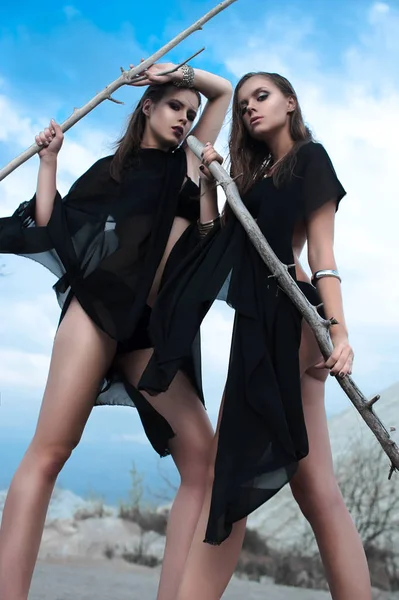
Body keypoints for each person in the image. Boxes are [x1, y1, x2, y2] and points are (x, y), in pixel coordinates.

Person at [0, 62, 231, 600]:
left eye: (190, 113)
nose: (185, 118)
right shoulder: (111, 171)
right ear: (146, 106)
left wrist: (178, 73)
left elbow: (220, 92)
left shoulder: (188, 167)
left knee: (203, 459)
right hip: (98, 314)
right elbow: (54, 221)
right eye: (175, 105)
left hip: (149, 332)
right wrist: (49, 161)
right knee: (51, 452)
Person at [138, 72, 372, 599]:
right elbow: (213, 237)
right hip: (258, 326)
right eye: (242, 105)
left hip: (291, 322)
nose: (248, 109)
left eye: (260, 97)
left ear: (291, 102)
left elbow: (321, 258)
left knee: (231, 471)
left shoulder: (311, 159)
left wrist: (340, 332)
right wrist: (210, 184)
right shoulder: (255, 177)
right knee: (316, 492)